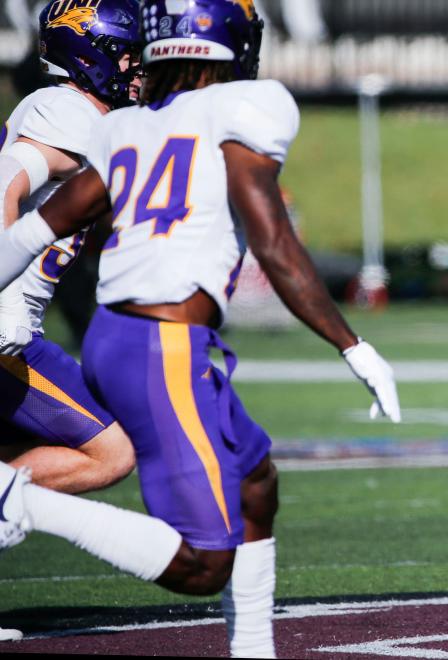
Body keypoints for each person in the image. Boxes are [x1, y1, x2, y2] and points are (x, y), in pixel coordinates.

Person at [0, 0, 401, 656]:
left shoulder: (127, 126)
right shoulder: (247, 107)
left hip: (127, 335)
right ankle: (23, 502)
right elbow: (274, 242)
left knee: (256, 481)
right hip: (159, 341)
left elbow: (40, 229)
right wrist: (350, 343)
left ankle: (253, 649)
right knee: (204, 561)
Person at [0, 0, 143, 641]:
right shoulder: (68, 111)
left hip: (19, 329)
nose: (136, 67)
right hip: (6, 330)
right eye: (125, 54)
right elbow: (7, 178)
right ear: (88, 54)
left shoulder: (90, 119)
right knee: (111, 449)